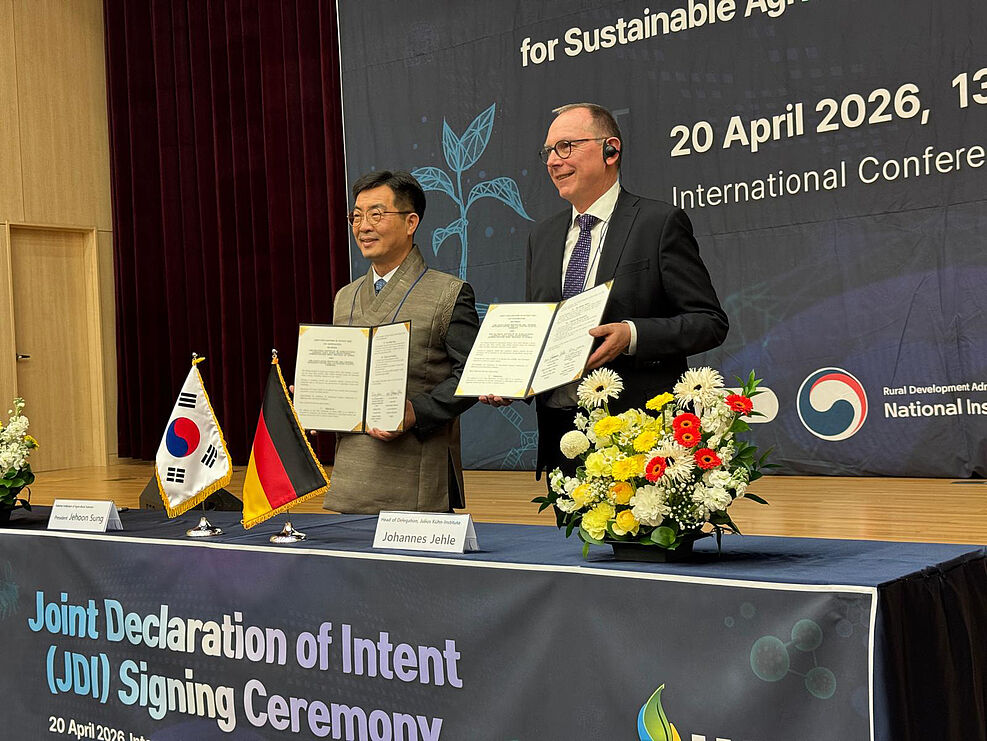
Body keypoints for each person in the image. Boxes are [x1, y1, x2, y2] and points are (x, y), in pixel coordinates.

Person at [481, 103, 728, 481]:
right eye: (548, 152)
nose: (553, 161)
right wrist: (511, 379)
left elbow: (708, 322)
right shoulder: (542, 237)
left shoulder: (658, 223)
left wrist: (632, 334)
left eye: (565, 147)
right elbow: (544, 333)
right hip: (563, 438)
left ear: (610, 150)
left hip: (641, 439)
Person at [325, 170, 479, 513]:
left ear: (411, 222)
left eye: (376, 214)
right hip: (353, 474)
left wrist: (416, 412)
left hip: (417, 471)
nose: (363, 226)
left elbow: (473, 375)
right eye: (356, 216)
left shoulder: (449, 293)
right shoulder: (345, 297)